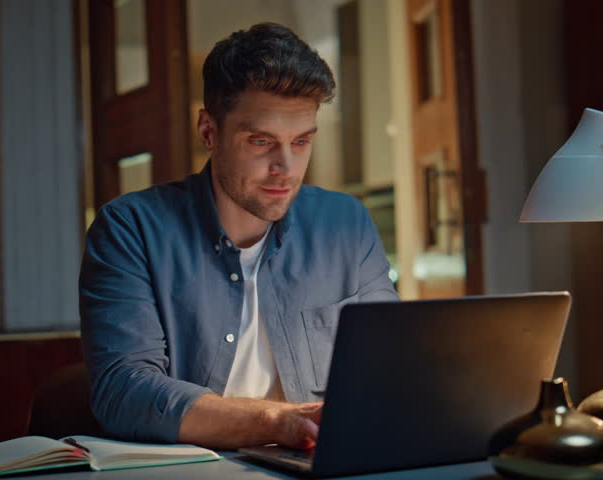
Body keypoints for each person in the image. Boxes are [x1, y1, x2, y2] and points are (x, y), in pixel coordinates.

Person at [79, 22, 399, 451]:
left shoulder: (346, 224)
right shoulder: (129, 229)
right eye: (262, 141)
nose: (286, 167)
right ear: (209, 132)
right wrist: (278, 421)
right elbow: (124, 392)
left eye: (301, 141)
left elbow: (391, 365)